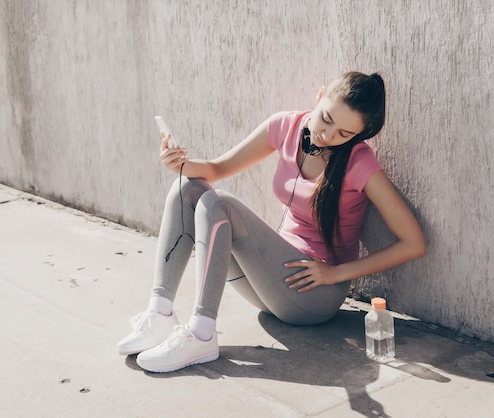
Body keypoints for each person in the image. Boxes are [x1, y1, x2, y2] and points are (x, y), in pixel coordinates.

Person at [117, 71, 426, 373]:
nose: (328, 135)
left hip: (312, 296)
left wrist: (336, 274)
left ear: (357, 135)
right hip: (268, 281)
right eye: (327, 119)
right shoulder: (285, 126)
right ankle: (159, 313)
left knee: (219, 203)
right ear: (319, 97)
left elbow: (413, 243)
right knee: (187, 186)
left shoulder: (359, 162)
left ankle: (201, 333)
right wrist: (180, 163)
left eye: (344, 134)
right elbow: (214, 169)